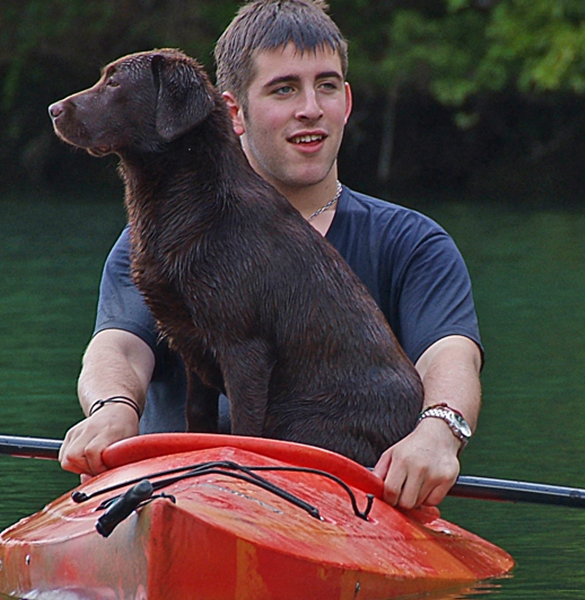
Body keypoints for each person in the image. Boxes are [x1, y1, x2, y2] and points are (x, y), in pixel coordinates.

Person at [57, 0, 483, 510]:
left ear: (346, 102)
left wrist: (440, 428)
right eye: (284, 89)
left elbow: (449, 354)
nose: (310, 107)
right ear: (234, 112)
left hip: (339, 495)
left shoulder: (413, 243)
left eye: (326, 86)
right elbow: (118, 347)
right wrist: (113, 407)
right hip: (173, 492)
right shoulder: (154, 240)